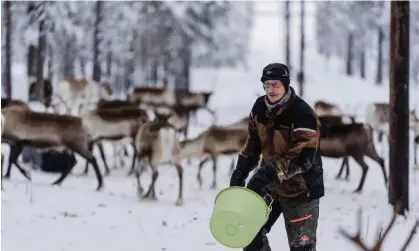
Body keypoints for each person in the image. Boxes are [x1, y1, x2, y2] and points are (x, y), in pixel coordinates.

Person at [230, 63, 324, 251]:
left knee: (302, 248)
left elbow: (304, 156)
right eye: (267, 84)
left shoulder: (302, 113)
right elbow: (253, 143)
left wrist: (268, 173)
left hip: (301, 191)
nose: (271, 89)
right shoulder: (259, 107)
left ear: (286, 85)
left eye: (276, 84)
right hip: (271, 189)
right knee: (249, 234)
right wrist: (241, 170)